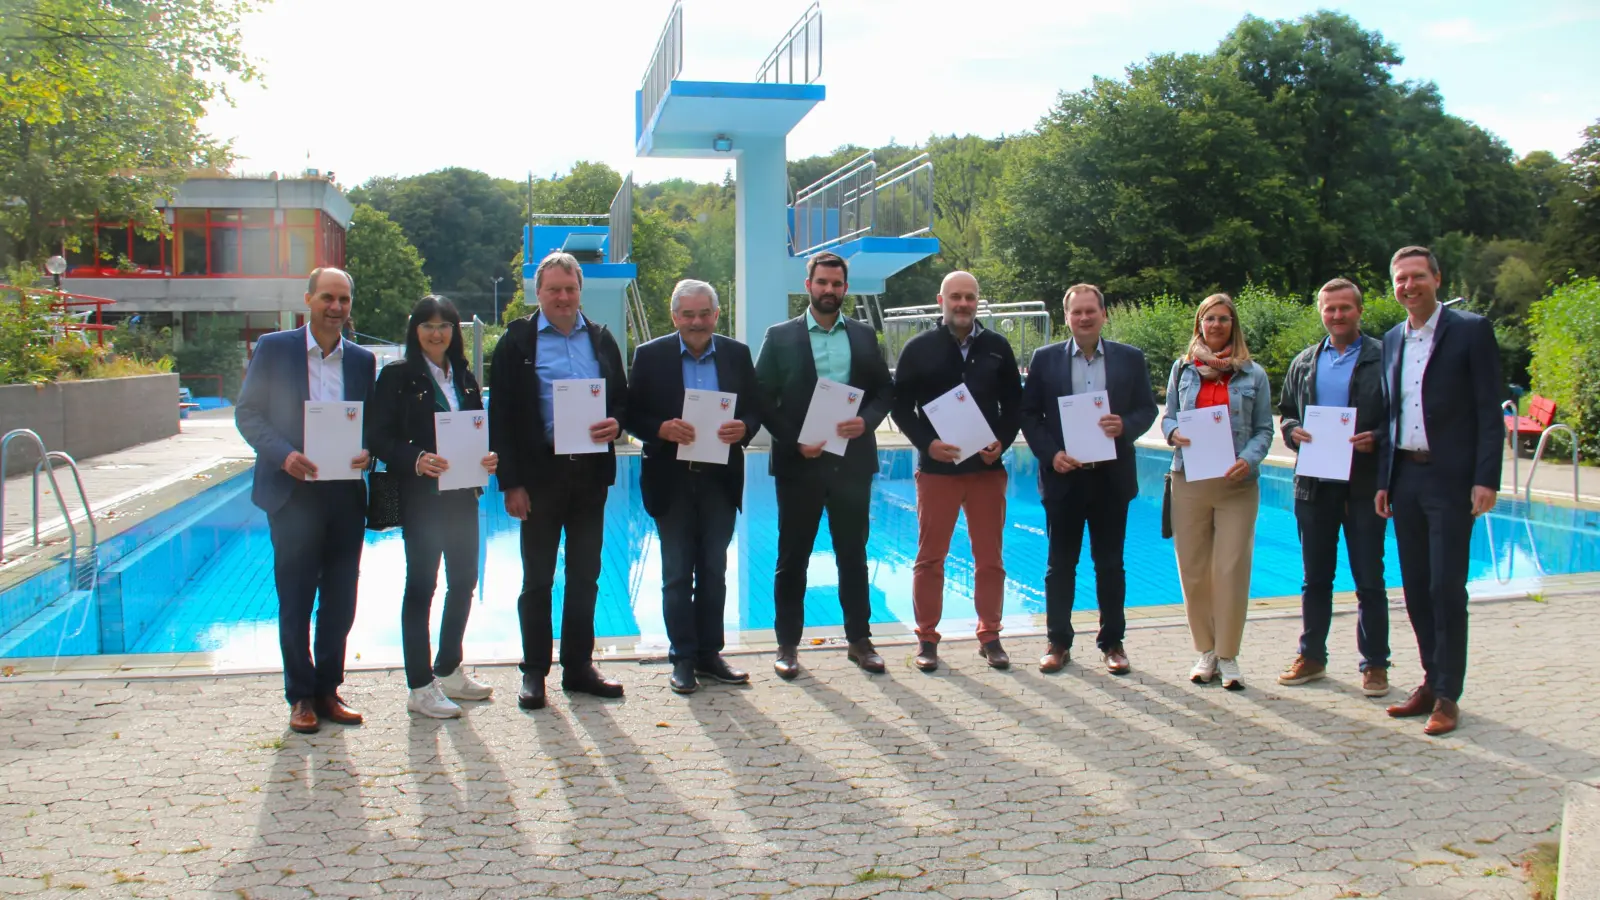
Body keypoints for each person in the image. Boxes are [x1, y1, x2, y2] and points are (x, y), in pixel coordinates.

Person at [236, 267, 375, 734]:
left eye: (344, 299)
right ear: (309, 299)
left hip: (343, 495)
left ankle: (328, 690)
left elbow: (370, 424)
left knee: (341, 598)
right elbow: (248, 413)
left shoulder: (360, 360)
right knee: (296, 598)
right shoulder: (276, 349)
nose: (336, 307)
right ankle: (300, 696)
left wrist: (368, 452)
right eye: (328, 298)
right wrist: (285, 456)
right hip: (292, 494)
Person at [488, 252, 628, 710]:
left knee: (586, 575)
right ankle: (533, 671)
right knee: (538, 579)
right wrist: (512, 483)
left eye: (570, 288)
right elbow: (502, 416)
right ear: (539, 293)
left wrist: (617, 424)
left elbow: (622, 400)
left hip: (589, 475)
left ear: (579, 290)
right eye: (554, 289)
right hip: (540, 476)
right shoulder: (517, 342)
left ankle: (579, 667)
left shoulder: (602, 340)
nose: (563, 297)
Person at [1375, 246, 1503, 737]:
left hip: (1451, 480)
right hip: (1406, 478)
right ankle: (1430, 678)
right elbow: (1392, 416)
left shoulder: (1470, 330)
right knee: (1414, 589)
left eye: (1417, 277)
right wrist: (1386, 481)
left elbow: (1490, 412)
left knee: (1446, 588)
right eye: (1400, 279)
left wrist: (1485, 478)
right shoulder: (1392, 340)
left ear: (1436, 278)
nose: (1409, 286)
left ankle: (1449, 694)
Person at [755, 251, 895, 679]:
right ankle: (787, 646)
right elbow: (761, 398)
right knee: (792, 558)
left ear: (845, 288)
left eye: (837, 284)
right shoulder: (779, 336)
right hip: (801, 465)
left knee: (852, 555)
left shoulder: (864, 335)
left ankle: (859, 641)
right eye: (822, 283)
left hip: (851, 464)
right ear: (808, 284)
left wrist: (866, 421)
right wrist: (796, 441)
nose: (829, 291)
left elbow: (884, 392)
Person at [627, 280, 762, 694]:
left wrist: (746, 428)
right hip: (671, 479)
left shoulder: (736, 354)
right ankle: (682, 657)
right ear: (675, 317)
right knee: (676, 575)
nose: (697, 322)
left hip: (720, 480)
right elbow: (631, 413)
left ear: (716, 315)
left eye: (704, 313)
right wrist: (661, 429)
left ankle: (710, 654)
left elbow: (755, 407)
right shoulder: (650, 356)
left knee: (714, 571)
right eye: (688, 314)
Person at [370, 295, 499, 718]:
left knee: (464, 581)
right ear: (415, 329)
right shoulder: (397, 376)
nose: (437, 332)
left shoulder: (463, 376)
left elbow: (477, 428)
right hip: (422, 499)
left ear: (455, 331)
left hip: (462, 495)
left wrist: (487, 457)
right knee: (421, 588)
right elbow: (379, 437)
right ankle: (419, 685)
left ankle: (448, 669)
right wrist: (416, 458)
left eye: (445, 325)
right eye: (428, 324)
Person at [1020, 284, 1159, 675]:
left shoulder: (1129, 359)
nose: (1084, 318)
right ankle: (1058, 642)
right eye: (1076, 312)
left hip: (1110, 479)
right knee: (1059, 566)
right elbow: (1029, 415)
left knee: (1110, 564)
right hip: (1064, 477)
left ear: (1103, 314)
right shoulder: (1045, 359)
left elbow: (1146, 409)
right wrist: (1052, 455)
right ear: (1067, 317)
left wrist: (1125, 426)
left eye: (1090, 311)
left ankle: (1113, 643)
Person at [889, 271, 1022, 673]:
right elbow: (900, 408)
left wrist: (1001, 439)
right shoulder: (918, 348)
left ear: (978, 301)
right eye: (955, 297)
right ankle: (926, 639)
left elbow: (1014, 405)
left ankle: (990, 636)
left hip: (985, 470)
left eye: (970, 297)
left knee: (990, 559)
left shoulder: (997, 347)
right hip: (937, 471)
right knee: (930, 558)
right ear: (941, 300)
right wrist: (927, 444)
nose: (962, 304)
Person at [1276, 278, 1391, 697]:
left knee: (1369, 578)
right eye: (1330, 309)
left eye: (1345, 307)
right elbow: (1287, 414)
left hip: (1362, 484)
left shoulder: (1384, 357)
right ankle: (1312, 657)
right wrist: (1293, 432)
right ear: (1321, 312)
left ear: (1359, 310)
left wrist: (1376, 437)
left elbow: (1397, 416)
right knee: (1315, 578)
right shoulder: (1305, 361)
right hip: (1314, 483)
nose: (1337, 315)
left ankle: (1375, 664)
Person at [1162, 293, 1275, 691]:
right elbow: (1169, 416)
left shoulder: (1252, 375)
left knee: (1230, 569)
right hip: (1189, 479)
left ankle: (1228, 655)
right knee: (1193, 570)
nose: (1216, 325)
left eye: (1224, 319)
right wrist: (1173, 432)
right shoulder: (1183, 368)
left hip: (1236, 483)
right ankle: (1205, 651)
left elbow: (1265, 429)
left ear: (1233, 325)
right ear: (1199, 323)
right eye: (1210, 318)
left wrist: (1250, 457)